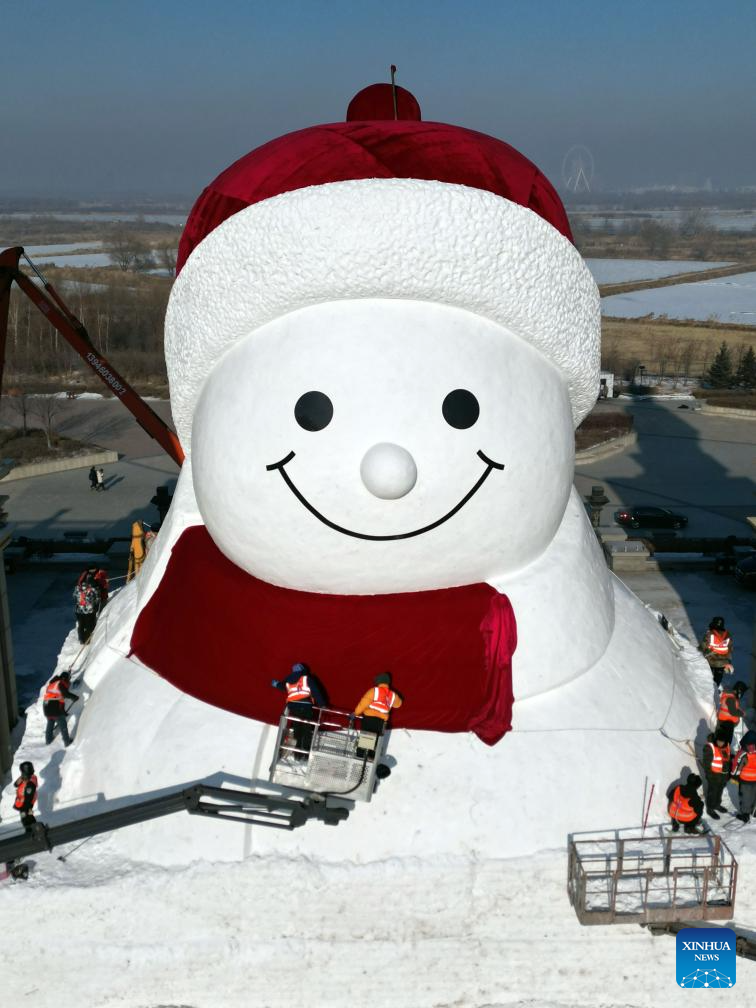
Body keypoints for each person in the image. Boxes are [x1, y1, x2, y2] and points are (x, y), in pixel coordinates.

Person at [271, 662, 327, 761]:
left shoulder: (289, 679)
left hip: (294, 708)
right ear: (303, 670)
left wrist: (275, 684)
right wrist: (322, 704)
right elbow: (316, 691)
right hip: (306, 707)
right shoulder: (306, 678)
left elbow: (282, 686)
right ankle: (305, 756)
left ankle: (297, 755)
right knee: (306, 730)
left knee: (297, 730)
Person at [354, 672, 403, 737]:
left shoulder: (374, 691)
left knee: (365, 743)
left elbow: (363, 704)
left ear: (379, 682)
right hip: (381, 722)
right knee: (375, 742)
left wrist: (355, 713)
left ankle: (365, 747)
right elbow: (398, 704)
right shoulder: (393, 695)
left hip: (369, 719)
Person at [42, 670, 79, 746]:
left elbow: (59, 700)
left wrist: (63, 712)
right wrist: (74, 697)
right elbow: (65, 694)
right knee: (62, 723)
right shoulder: (60, 683)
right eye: (68, 679)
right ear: (64, 678)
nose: (69, 681)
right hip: (53, 706)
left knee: (50, 721)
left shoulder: (53, 684)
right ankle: (67, 742)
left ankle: (48, 740)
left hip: (46, 705)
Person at [701, 732, 730, 819]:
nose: (720, 743)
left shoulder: (727, 746)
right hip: (713, 775)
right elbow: (706, 764)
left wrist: (726, 775)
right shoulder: (710, 747)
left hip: (723, 775)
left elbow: (727, 760)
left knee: (719, 791)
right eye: (718, 741)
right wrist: (710, 775)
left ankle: (717, 805)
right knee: (712, 793)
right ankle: (710, 809)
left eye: (722, 741)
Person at [730, 729, 756, 823]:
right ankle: (754, 811)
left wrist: (734, 776)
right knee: (753, 796)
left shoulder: (743, 754)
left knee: (745, 797)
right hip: (753, 780)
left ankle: (745, 814)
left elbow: (737, 765)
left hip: (745, 780)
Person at [700, 616, 734, 686]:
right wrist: (728, 662)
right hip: (722, 663)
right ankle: (715, 689)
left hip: (710, 661)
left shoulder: (709, 633)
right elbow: (730, 649)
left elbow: (703, 646)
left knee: (708, 680)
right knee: (717, 681)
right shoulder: (728, 634)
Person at [73, 570, 102, 644]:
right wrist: (94, 604)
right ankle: (87, 639)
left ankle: (81, 638)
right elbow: (98, 598)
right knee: (89, 625)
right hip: (89, 611)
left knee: (81, 625)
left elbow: (74, 597)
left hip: (79, 610)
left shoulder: (77, 588)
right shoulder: (93, 589)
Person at [715, 681, 747, 746]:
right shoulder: (730, 698)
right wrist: (742, 713)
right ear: (739, 691)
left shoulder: (731, 697)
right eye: (742, 693)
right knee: (724, 741)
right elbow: (733, 712)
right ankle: (721, 752)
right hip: (725, 724)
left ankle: (725, 751)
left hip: (727, 723)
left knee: (725, 741)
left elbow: (733, 708)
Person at [13, 762, 37, 830]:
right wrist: (21, 778)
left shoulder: (30, 783)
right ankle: (34, 829)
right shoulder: (24, 778)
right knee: (28, 818)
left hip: (26, 804)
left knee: (26, 818)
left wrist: (28, 808)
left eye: (22, 772)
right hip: (22, 803)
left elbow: (29, 797)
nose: (21, 774)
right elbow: (15, 784)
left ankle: (31, 831)